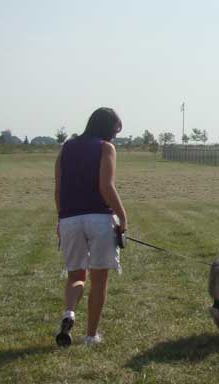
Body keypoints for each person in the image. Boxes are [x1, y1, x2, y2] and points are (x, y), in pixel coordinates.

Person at [54, 107, 128, 347]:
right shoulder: (106, 148)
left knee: (76, 275)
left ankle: (69, 313)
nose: (115, 137)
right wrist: (123, 217)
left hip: (69, 219)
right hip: (98, 219)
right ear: (108, 129)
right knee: (99, 279)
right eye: (115, 131)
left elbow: (58, 189)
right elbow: (106, 186)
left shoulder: (65, 148)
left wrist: (60, 219)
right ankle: (90, 336)